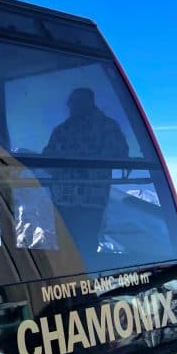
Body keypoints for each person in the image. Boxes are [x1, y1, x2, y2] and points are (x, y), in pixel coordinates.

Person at [43, 87, 128, 257]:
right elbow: (121, 153)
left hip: (79, 200)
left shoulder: (101, 127)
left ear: (88, 102)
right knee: (79, 245)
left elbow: (47, 160)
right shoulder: (104, 126)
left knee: (77, 246)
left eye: (74, 102)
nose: (70, 106)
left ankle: (77, 279)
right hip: (79, 200)